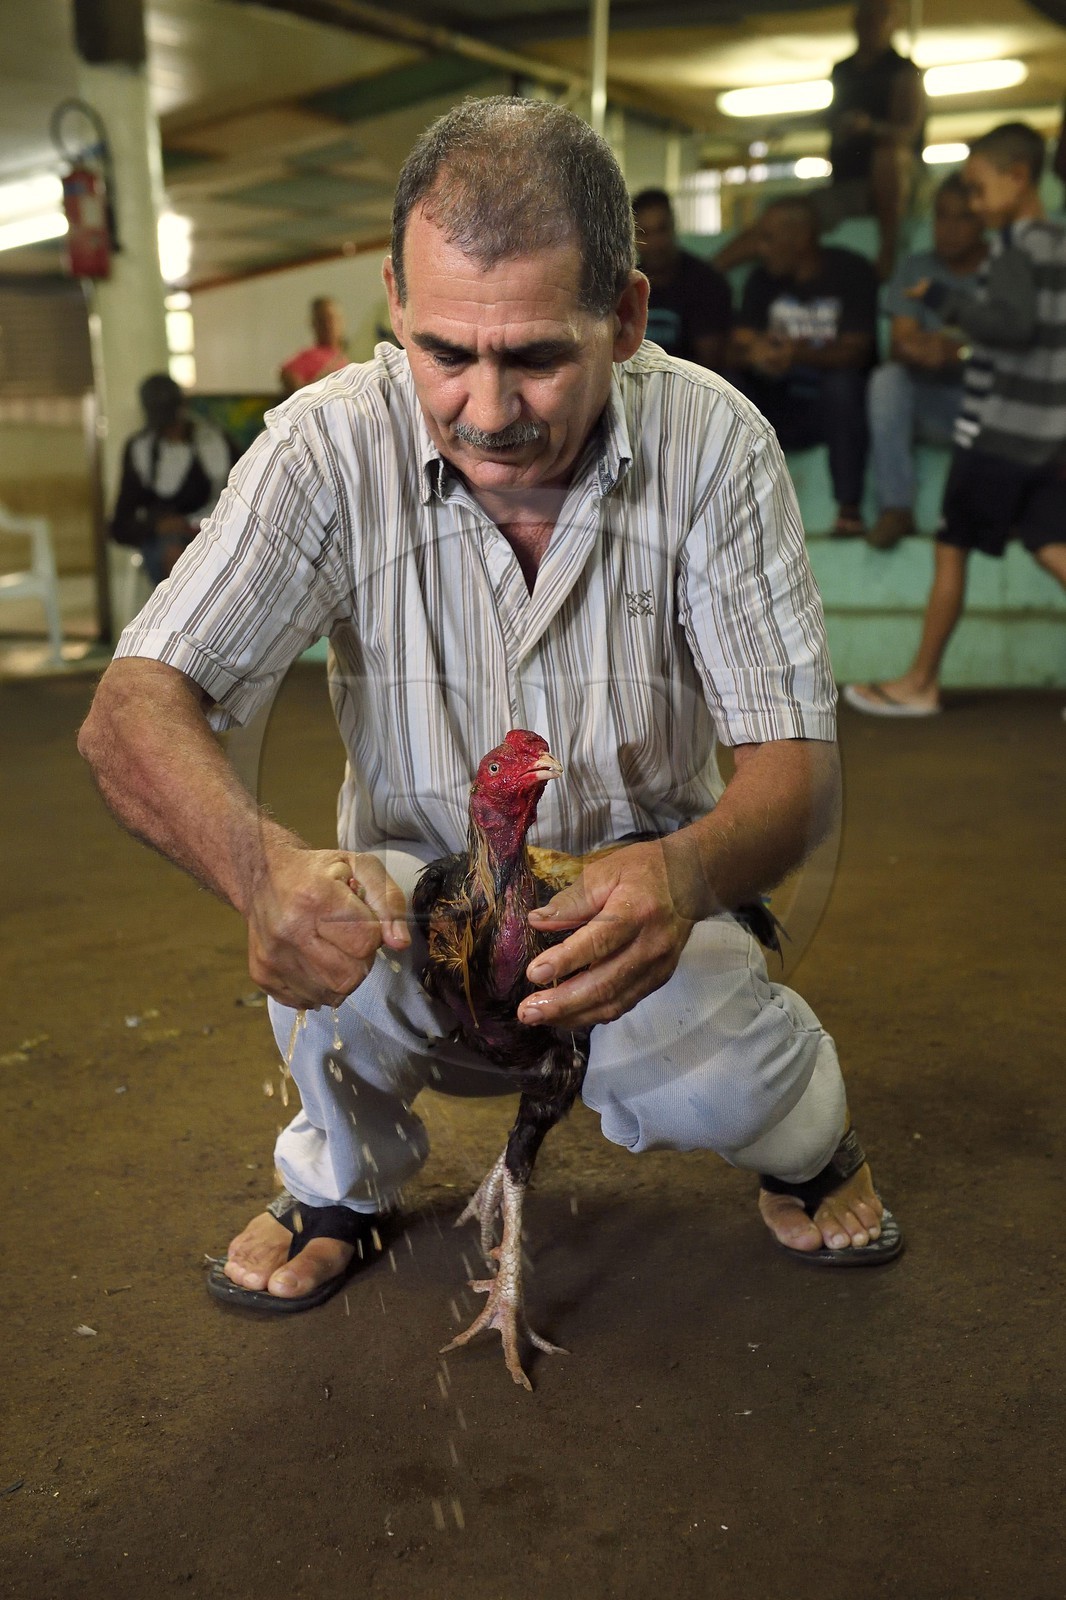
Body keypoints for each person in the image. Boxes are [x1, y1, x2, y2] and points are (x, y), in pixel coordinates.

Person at [78, 97, 900, 1317]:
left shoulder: (717, 446)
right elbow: (130, 711)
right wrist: (261, 871)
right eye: (444, 352)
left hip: (635, 892)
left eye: (534, 356)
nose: (485, 407)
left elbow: (795, 768)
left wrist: (680, 876)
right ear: (395, 307)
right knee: (328, 941)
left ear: (624, 315)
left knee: (727, 1079)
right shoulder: (322, 447)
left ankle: (806, 1142)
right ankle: (340, 1185)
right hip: (419, 896)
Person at [845, 123, 1066, 716]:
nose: (971, 201)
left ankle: (920, 683)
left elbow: (1013, 326)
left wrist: (946, 302)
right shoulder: (1055, 243)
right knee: (1049, 545)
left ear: (1018, 177)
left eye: (977, 186)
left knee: (951, 547)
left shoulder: (1019, 247)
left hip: (997, 429)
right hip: (1045, 430)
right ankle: (920, 680)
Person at [714, 0, 925, 283]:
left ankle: (888, 250)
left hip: (900, 183)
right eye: (867, 17)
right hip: (849, 187)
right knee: (786, 213)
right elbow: (831, 116)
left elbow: (909, 130)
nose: (872, 24)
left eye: (880, 17)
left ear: (893, 23)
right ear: (856, 21)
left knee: (888, 156)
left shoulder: (904, 70)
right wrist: (786, 126)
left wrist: (870, 127)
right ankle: (710, 269)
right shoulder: (844, 70)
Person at [729, 195, 879, 538]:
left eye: (769, 238)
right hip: (777, 406)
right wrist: (756, 353)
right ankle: (736, 515)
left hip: (830, 411)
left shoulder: (850, 272)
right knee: (730, 384)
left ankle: (849, 509)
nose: (761, 248)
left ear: (800, 238)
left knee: (843, 385)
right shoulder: (761, 281)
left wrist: (795, 355)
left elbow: (858, 352)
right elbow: (738, 344)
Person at [866, 173, 987, 550]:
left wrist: (956, 352)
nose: (948, 229)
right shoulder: (916, 267)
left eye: (962, 218)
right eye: (941, 216)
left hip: (991, 410)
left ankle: (1005, 510)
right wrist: (927, 350)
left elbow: (1015, 357)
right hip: (935, 405)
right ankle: (896, 508)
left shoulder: (1004, 269)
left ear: (983, 221)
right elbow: (901, 345)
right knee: (888, 380)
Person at [109, 373, 236, 586]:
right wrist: (156, 526)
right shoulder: (140, 451)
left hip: (215, 530)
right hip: (164, 542)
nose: (172, 429)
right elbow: (121, 525)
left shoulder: (215, 441)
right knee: (177, 556)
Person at [631, 187, 732, 370]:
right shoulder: (626, 285)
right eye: (644, 233)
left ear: (673, 228)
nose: (654, 243)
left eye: (661, 230)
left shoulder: (706, 283)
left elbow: (710, 363)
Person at [279, 296, 348, 394]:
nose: (327, 325)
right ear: (313, 324)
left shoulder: (353, 353)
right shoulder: (306, 357)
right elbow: (287, 376)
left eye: (331, 318)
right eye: (322, 321)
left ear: (341, 321)